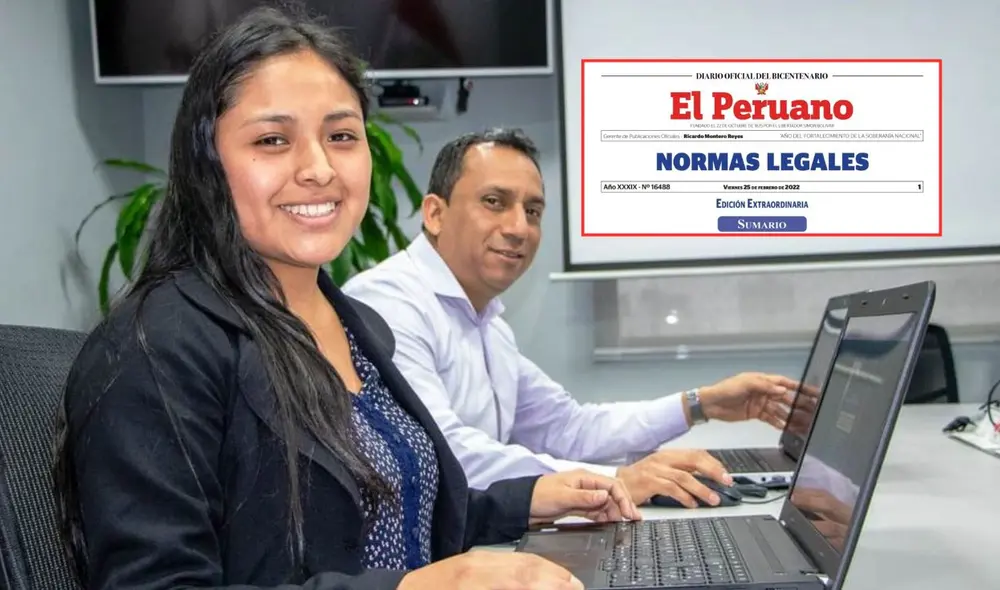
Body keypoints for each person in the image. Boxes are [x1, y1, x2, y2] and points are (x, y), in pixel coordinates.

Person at [52, 8, 642, 590]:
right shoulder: (155, 346)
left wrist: (524, 501)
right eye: (273, 139)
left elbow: (389, 516)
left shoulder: (356, 325)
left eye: (341, 136)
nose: (317, 168)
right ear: (208, 161)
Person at [342, 128, 800, 508]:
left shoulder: (488, 323)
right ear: (435, 214)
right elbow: (447, 453)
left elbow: (570, 429)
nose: (519, 227)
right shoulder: (388, 304)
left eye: (533, 211)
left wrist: (700, 404)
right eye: (495, 202)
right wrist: (615, 480)